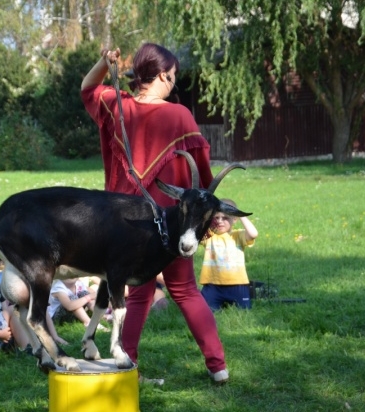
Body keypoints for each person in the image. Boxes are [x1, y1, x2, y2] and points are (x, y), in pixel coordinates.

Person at [81, 43, 229, 384]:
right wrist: (210, 212)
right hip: (171, 224)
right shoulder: (179, 116)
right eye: (173, 77)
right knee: (186, 291)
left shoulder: (117, 106)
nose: (174, 84)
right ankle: (217, 366)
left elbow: (87, 88)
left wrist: (104, 63)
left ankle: (126, 364)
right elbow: (203, 176)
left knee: (138, 294)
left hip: (123, 224)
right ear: (162, 76)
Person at [200, 199, 258, 311]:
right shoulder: (209, 236)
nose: (220, 221)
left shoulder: (238, 235)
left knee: (244, 311)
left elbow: (253, 234)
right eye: (216, 218)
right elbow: (197, 227)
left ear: (234, 219)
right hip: (212, 285)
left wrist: (241, 215)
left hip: (237, 284)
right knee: (206, 310)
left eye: (225, 218)